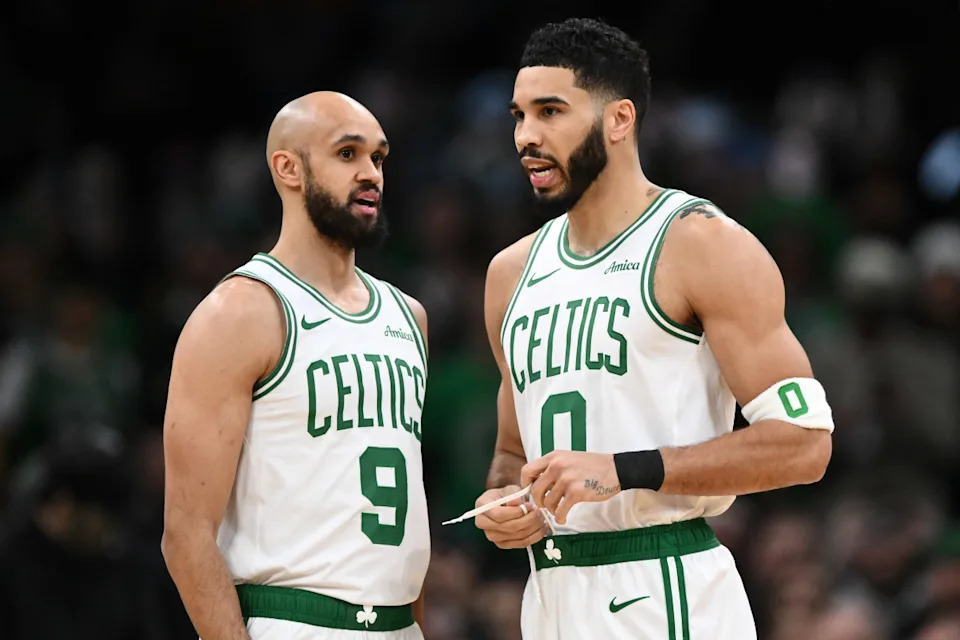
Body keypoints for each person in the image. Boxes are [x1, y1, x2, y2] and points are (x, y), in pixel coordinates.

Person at [473, 18, 834, 639]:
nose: (526, 136)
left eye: (550, 112)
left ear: (619, 119)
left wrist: (624, 468)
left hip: (665, 585)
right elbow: (512, 454)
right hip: (550, 594)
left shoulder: (700, 243)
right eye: (518, 116)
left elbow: (804, 444)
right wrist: (501, 502)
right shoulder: (510, 273)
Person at [162, 92, 430, 640]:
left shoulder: (410, 316)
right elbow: (186, 533)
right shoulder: (242, 311)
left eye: (378, 157)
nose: (371, 173)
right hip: (295, 621)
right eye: (347, 154)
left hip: (398, 623)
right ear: (288, 168)